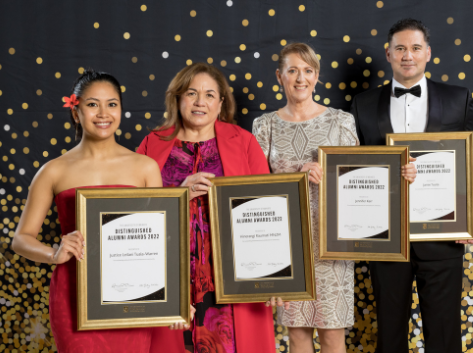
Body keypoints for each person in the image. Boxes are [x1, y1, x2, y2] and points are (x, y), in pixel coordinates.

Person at [350, 18, 473, 353]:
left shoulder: (458, 99)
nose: (407, 56)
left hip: (443, 238)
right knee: (389, 336)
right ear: (388, 54)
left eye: (415, 48)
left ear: (428, 53)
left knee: (444, 337)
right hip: (385, 240)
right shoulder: (363, 104)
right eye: (400, 48)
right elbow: (353, 172)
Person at [11, 69, 167, 352]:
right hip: (74, 294)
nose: (103, 113)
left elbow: (160, 242)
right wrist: (54, 253)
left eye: (112, 104)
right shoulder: (53, 170)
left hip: (133, 295)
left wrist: (177, 297)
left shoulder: (145, 168)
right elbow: (21, 239)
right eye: (93, 104)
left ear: (120, 109)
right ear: (76, 111)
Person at [137, 62, 276, 353]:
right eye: (192, 93)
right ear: (177, 98)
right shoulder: (152, 143)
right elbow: (134, 213)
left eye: (210, 94)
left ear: (221, 102)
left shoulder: (245, 142)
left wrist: (273, 276)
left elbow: (267, 213)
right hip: (169, 277)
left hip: (232, 276)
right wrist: (177, 195)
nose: (201, 101)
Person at [252, 42, 360, 353]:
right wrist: (299, 172)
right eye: (293, 71)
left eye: (308, 71)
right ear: (279, 76)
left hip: (332, 242)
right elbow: (256, 188)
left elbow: (358, 181)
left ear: (317, 76)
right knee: (297, 334)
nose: (301, 78)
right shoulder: (264, 125)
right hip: (287, 243)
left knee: (332, 335)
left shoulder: (341, 121)